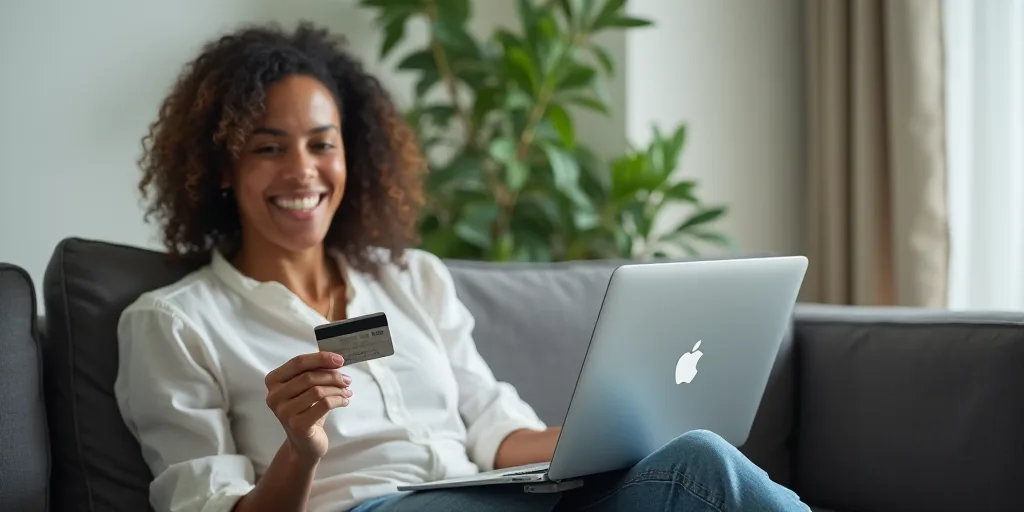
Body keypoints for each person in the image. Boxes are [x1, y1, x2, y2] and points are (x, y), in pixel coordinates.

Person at [114, 22, 810, 512]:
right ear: (221, 169)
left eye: (321, 144)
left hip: (488, 494)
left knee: (699, 462)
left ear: (350, 156)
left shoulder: (410, 278)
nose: (302, 170)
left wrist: (621, 431)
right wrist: (300, 448)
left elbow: (491, 428)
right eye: (268, 147)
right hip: (369, 508)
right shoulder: (177, 324)